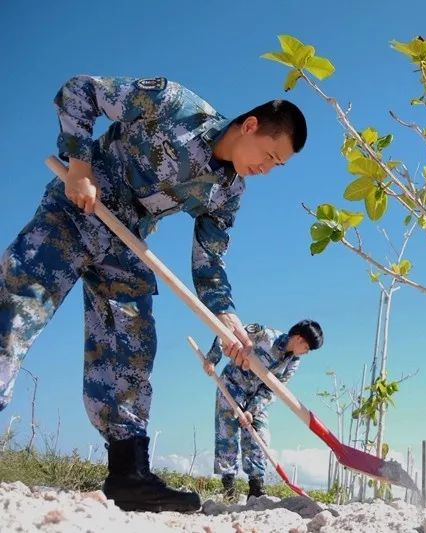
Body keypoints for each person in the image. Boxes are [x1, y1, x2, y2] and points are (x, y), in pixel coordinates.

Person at [0, 75, 308, 513]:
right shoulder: (173, 104)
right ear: (251, 126)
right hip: (77, 206)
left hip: (126, 238)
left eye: (278, 166)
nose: (267, 169)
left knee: (131, 346)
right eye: (270, 156)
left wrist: (227, 318)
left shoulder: (228, 192)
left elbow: (210, 261)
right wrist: (81, 167)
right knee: (16, 305)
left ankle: (129, 474)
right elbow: (78, 91)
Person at [204, 320, 323, 501]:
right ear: (299, 339)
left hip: (256, 397)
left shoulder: (293, 363)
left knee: (260, 436)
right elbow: (227, 331)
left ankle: (256, 487)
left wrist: (251, 410)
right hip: (232, 385)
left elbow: (273, 388)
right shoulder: (264, 334)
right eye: (306, 347)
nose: (306, 352)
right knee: (226, 434)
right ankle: (229, 486)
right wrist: (212, 358)